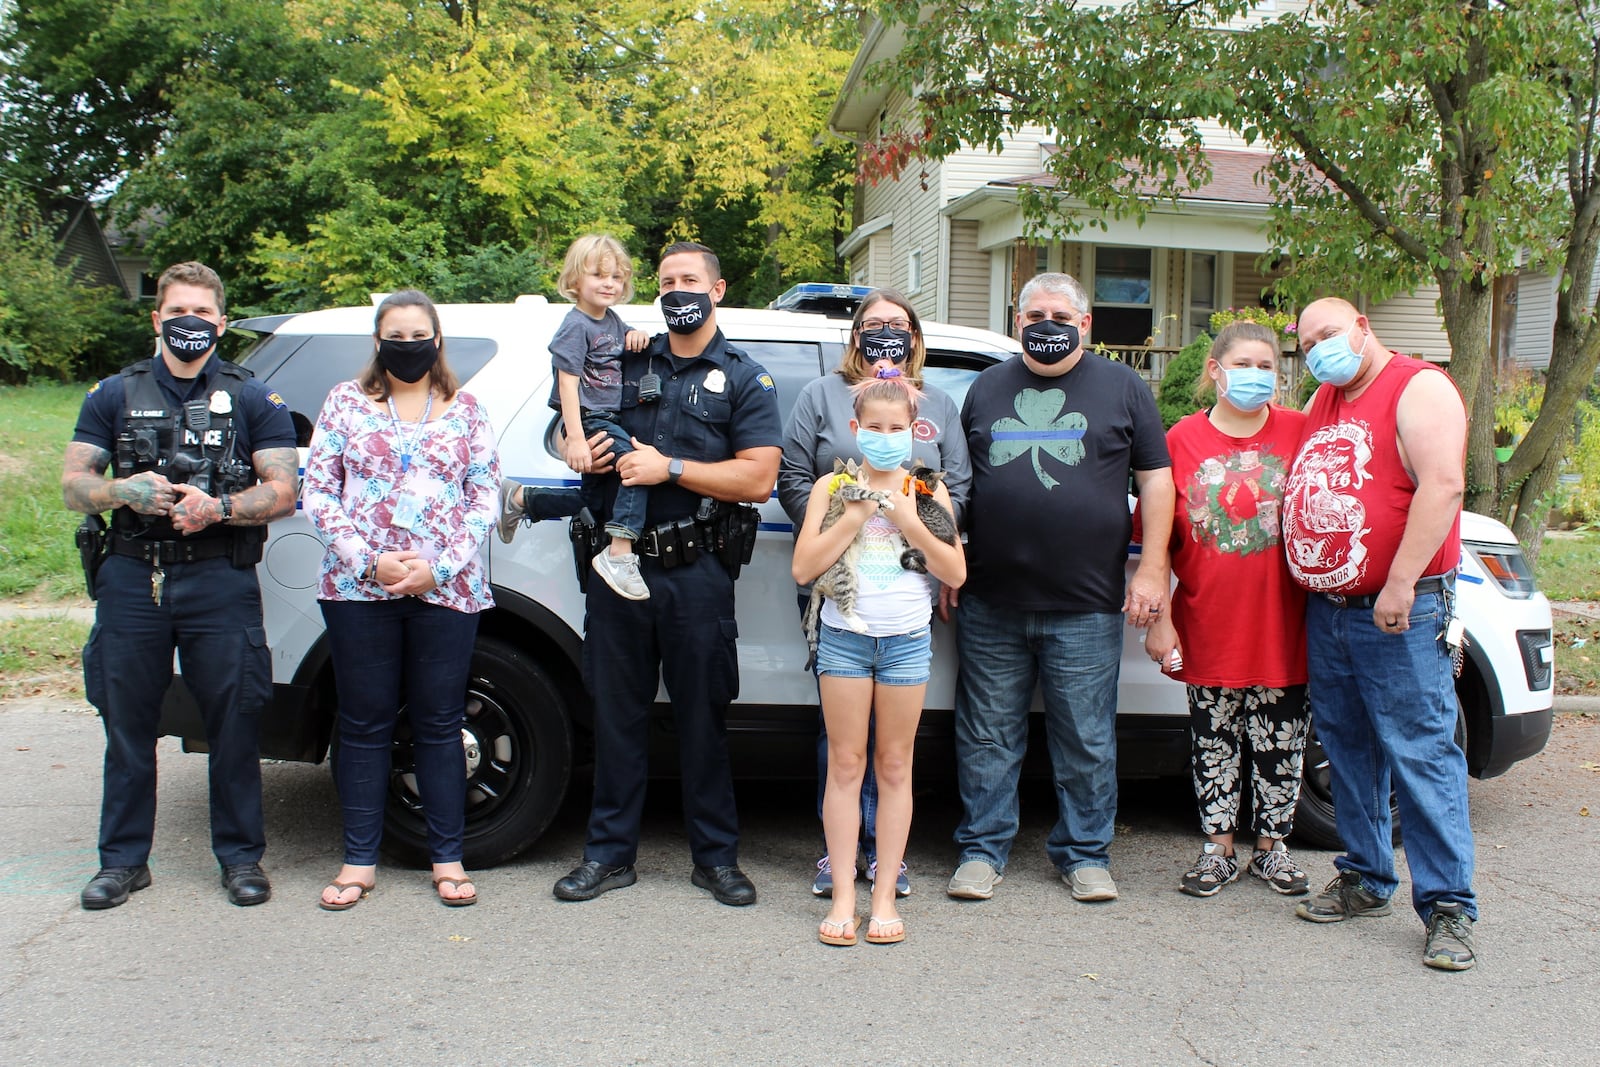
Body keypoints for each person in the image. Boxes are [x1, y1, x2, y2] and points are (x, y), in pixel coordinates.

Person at [62, 261, 299, 910]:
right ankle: (122, 862)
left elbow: (284, 490)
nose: (188, 323)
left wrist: (218, 508)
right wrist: (121, 490)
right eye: (177, 312)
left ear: (221, 322)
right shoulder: (112, 393)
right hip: (135, 573)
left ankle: (241, 859)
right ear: (157, 318)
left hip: (218, 575)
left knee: (234, 724)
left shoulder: (254, 398)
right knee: (128, 723)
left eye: (201, 312)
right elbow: (73, 482)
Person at [552, 241, 782, 907]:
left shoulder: (745, 376)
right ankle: (608, 855)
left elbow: (760, 476)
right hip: (616, 565)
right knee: (616, 715)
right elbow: (564, 425)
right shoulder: (619, 355)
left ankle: (715, 858)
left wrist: (670, 467)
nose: (677, 289)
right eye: (666, 280)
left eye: (690, 279)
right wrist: (579, 447)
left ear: (718, 289)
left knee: (702, 719)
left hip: (696, 573)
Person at [946, 271, 1174, 903]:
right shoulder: (986, 388)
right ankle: (982, 850)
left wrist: (1153, 568)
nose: (1045, 325)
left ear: (1085, 324)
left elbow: (1156, 481)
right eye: (1033, 315)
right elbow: (959, 486)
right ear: (1016, 322)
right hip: (991, 598)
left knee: (1086, 737)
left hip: (1087, 602)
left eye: (1059, 315)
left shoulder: (1123, 387)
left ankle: (1085, 854)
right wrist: (949, 562)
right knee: (987, 734)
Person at [1282, 297, 1477, 970]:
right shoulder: (1327, 398)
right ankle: (1366, 876)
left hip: (1399, 604)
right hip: (1330, 607)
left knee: (1421, 752)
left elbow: (1444, 485)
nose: (1318, 350)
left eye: (1328, 335)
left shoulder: (1416, 385)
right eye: (1307, 343)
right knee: (1349, 749)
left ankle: (1449, 906)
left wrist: (1398, 582)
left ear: (1363, 326)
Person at [302, 289, 499, 909]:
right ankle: (358, 860)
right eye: (396, 335)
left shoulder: (466, 410)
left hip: (446, 591)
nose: (407, 346)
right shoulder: (344, 403)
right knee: (363, 723)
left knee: (441, 723)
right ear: (377, 341)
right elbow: (319, 491)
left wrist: (439, 568)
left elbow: (483, 497)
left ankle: (448, 858)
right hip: (358, 588)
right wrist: (368, 560)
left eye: (419, 336)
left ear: (436, 342)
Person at [778, 288, 971, 899]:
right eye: (873, 324)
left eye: (898, 323)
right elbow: (799, 517)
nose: (887, 437)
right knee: (843, 756)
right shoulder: (823, 415)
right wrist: (849, 518)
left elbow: (956, 510)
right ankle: (839, 868)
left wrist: (919, 529)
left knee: (894, 762)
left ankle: (885, 873)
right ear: (856, 429)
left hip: (907, 627)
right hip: (843, 622)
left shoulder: (932, 444)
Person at [1141, 322, 1311, 898]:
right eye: (1244, 364)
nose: (1257, 376)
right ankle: (1218, 847)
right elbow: (1157, 539)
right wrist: (1161, 618)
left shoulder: (1301, 432)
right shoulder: (1180, 440)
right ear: (1215, 370)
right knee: (1213, 737)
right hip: (1210, 617)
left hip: (1286, 620)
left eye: (1268, 366)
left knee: (1282, 736)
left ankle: (1273, 849)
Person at [496, 234, 651, 600]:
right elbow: (568, 385)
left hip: (605, 417)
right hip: (589, 418)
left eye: (616, 277)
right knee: (637, 465)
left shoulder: (610, 320)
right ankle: (620, 554)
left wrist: (638, 334)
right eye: (598, 275)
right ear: (575, 280)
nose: (609, 283)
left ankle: (521, 499)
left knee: (595, 504)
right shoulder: (575, 325)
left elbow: (625, 338)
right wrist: (577, 438)